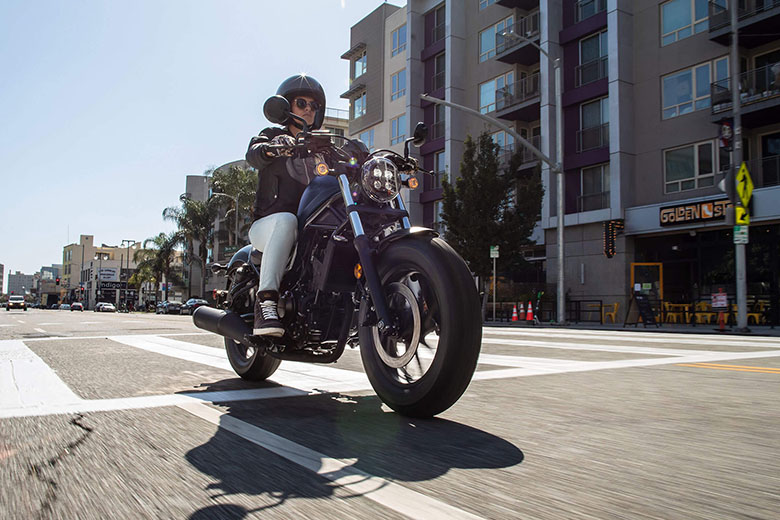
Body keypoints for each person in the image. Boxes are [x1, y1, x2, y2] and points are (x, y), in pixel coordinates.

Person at [245, 74, 328, 336]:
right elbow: (254, 153)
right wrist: (270, 148)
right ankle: (266, 301)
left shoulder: (323, 149)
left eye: (313, 106)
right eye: (301, 103)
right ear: (286, 107)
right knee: (287, 220)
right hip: (267, 226)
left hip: (306, 231)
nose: (308, 109)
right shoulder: (273, 136)